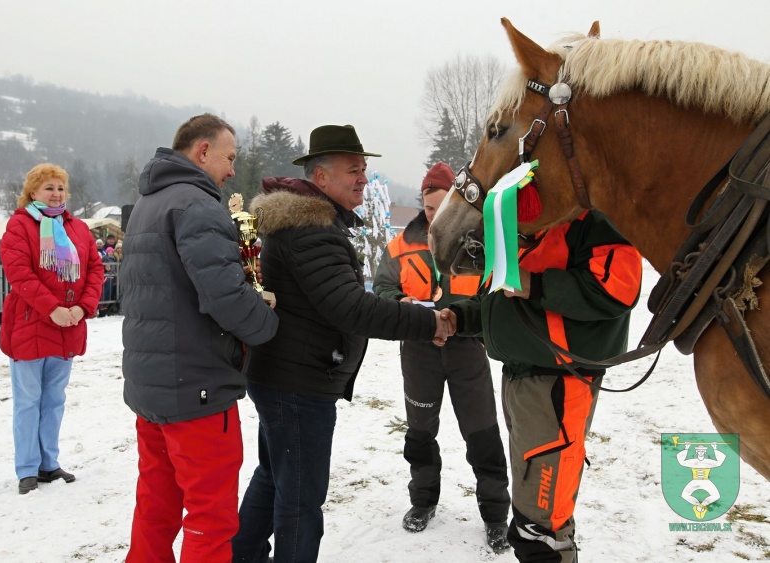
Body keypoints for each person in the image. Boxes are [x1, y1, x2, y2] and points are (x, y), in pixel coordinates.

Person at [231, 124, 454, 563]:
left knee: (275, 478)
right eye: (354, 170)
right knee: (299, 500)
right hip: (298, 384)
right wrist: (427, 322)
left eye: (365, 170)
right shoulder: (310, 230)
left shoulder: (304, 222)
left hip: (285, 376)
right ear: (321, 179)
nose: (363, 179)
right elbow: (350, 308)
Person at [119, 113, 279, 563]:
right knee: (211, 518)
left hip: (153, 391)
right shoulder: (198, 205)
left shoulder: (149, 204)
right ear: (202, 151)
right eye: (229, 158)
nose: (232, 170)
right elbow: (225, 295)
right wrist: (267, 322)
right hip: (198, 394)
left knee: (156, 507)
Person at [443, 209, 643, 563]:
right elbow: (499, 301)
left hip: (557, 386)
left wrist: (534, 283)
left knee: (542, 529)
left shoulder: (592, 221)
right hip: (524, 380)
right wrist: (459, 317)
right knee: (532, 513)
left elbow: (618, 286)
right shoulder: (525, 228)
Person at [373, 162, 511, 551]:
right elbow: (382, 290)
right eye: (428, 207)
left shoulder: (477, 242)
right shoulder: (400, 246)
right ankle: (422, 501)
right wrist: (403, 307)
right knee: (420, 432)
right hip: (419, 354)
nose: (434, 215)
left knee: (482, 434)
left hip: (467, 351)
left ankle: (496, 515)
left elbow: (493, 294)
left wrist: (464, 323)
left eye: (441, 205)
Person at [0, 163, 105, 494]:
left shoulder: (77, 227)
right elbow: (19, 274)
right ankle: (28, 468)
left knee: (54, 399)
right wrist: (53, 309)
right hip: (31, 325)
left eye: (60, 187)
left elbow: (94, 268)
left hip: (68, 326)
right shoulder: (19, 226)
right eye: (49, 187)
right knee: (28, 400)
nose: (56, 193)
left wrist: (82, 307)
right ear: (33, 192)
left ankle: (49, 463)